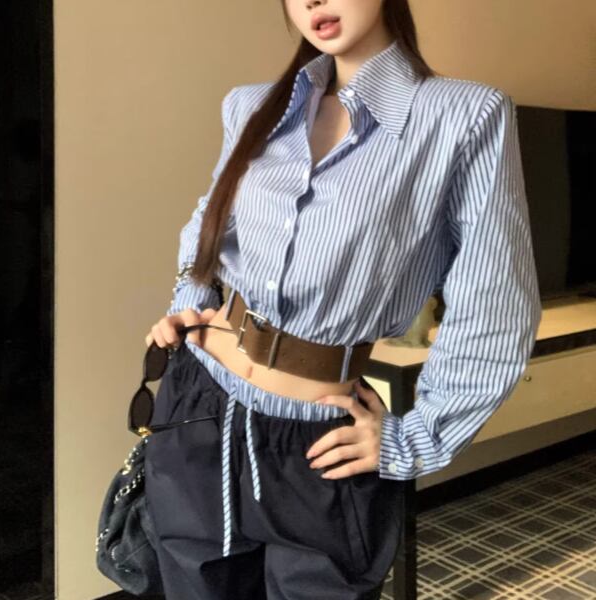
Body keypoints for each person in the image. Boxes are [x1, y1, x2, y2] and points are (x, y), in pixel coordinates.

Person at [143, 0, 542, 598]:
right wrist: (188, 299)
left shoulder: (463, 116)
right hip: (198, 404)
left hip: (320, 442)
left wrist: (419, 435)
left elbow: (495, 296)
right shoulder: (251, 105)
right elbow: (212, 216)